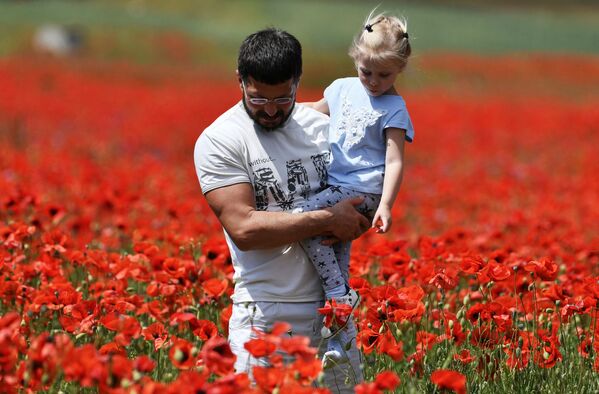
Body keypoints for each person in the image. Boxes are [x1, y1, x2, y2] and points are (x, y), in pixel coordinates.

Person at [194, 28, 369, 392]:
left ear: (298, 82)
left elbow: (360, 202)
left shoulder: (323, 130)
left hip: (334, 317)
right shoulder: (222, 139)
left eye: (283, 98)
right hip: (265, 316)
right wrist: (327, 219)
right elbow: (244, 229)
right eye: (258, 99)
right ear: (240, 81)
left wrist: (358, 216)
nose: (271, 110)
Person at [299, 10, 415, 368]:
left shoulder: (394, 108)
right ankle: (340, 343)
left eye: (385, 74)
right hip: (335, 185)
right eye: (367, 71)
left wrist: (386, 206)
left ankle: (339, 296)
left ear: (400, 70)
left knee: (302, 218)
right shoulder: (341, 88)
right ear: (356, 58)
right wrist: (280, 110)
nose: (374, 81)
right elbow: (313, 114)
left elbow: (395, 161)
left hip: (363, 193)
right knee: (334, 254)